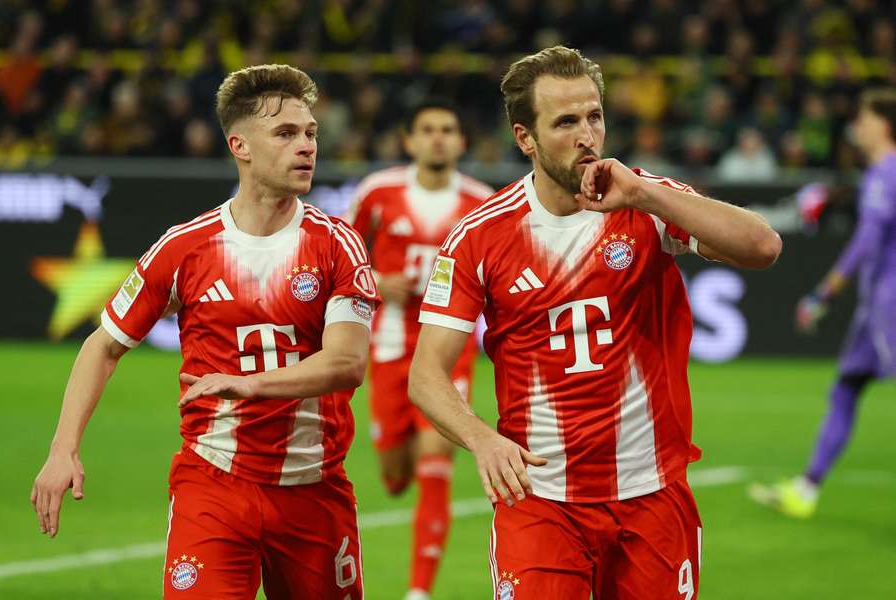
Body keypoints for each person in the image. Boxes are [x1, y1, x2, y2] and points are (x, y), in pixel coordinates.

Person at [408, 46, 782, 599]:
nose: (587, 135)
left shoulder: (646, 202)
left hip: (652, 496)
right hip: (540, 500)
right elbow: (426, 374)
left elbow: (763, 246)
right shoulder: (480, 237)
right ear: (524, 138)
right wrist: (481, 439)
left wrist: (646, 193)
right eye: (565, 122)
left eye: (595, 116)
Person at [30, 64, 378, 599]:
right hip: (214, 485)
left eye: (310, 133)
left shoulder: (338, 245)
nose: (306, 146)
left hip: (314, 488)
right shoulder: (185, 247)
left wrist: (250, 385)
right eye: (285, 134)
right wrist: (63, 449)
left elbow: (347, 363)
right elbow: (103, 344)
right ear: (239, 145)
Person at [344, 99, 493, 600]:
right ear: (409, 141)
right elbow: (342, 253)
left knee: (437, 460)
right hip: (386, 345)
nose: (437, 138)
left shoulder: (482, 203)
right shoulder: (378, 192)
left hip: (449, 348)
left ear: (461, 142)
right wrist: (375, 281)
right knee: (393, 475)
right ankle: (394, 456)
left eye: (447, 129)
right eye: (426, 129)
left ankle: (418, 592)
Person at [750, 88, 896, 519]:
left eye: (865, 119)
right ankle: (806, 489)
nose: (858, 127)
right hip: (875, 308)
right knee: (846, 387)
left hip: (890, 305)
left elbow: (867, 241)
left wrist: (824, 292)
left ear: (884, 125)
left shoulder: (884, 173)